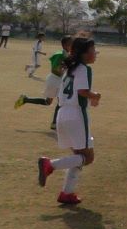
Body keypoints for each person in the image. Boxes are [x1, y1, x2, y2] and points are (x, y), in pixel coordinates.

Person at [37, 37, 101, 205]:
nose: (96, 53)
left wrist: (91, 98)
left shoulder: (69, 68)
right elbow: (82, 91)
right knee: (88, 158)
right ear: (84, 54)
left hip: (62, 114)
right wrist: (96, 96)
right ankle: (50, 164)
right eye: (93, 51)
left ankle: (67, 193)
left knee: (79, 156)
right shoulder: (84, 68)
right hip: (76, 116)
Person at [14, 36, 73, 129]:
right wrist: (65, 69)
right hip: (54, 80)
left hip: (58, 81)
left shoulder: (67, 55)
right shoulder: (60, 54)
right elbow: (54, 69)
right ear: (65, 45)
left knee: (48, 102)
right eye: (71, 44)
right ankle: (54, 123)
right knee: (61, 101)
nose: (73, 45)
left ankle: (25, 99)